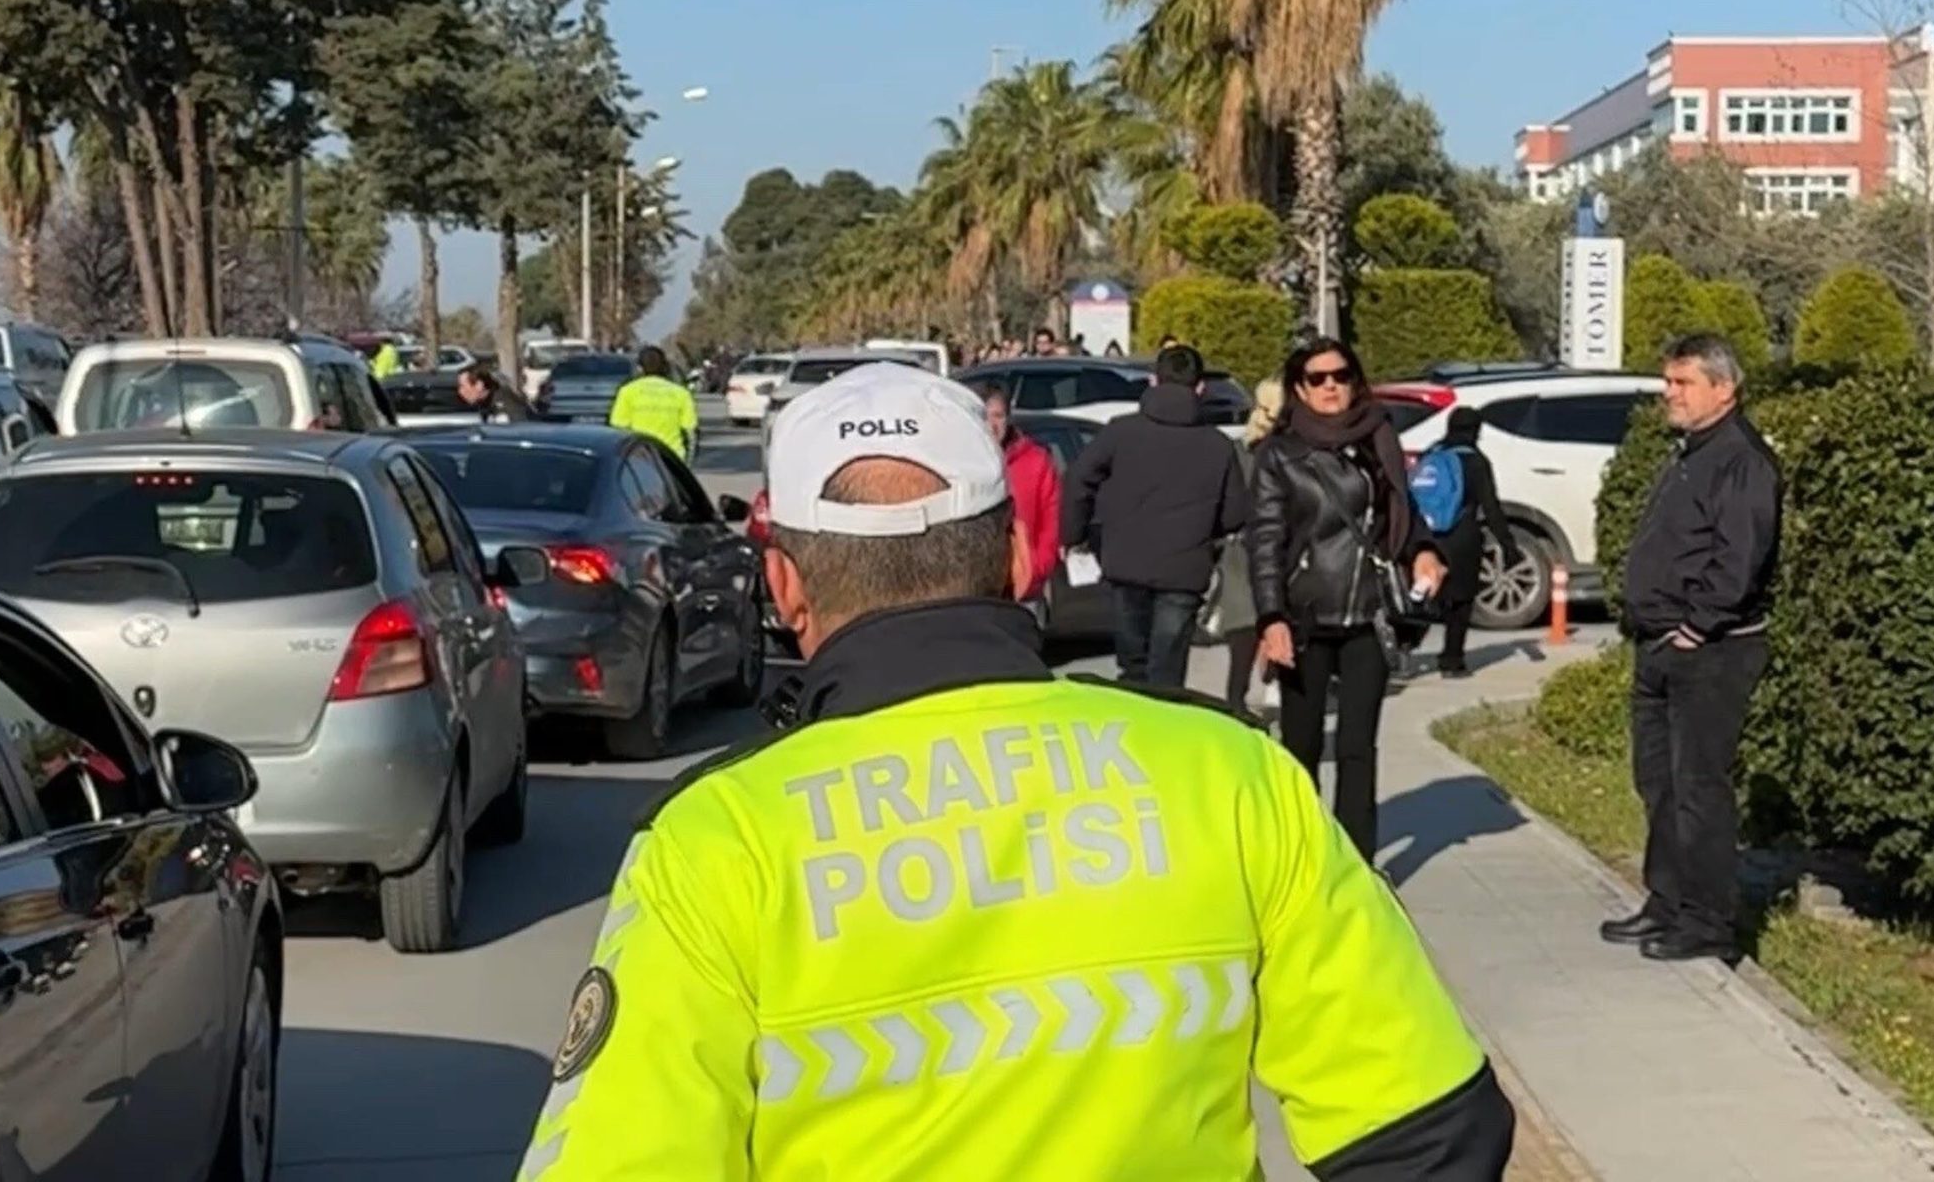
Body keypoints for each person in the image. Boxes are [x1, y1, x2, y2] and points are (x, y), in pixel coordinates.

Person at [516, 362, 1515, 1180]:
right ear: (1022, 553)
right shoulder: (1224, 772)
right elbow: (1429, 1129)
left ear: (783, 585)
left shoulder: (717, 840)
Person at [1606, 333, 1782, 965]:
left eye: (1683, 383)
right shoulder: (1690, 453)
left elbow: (1740, 559)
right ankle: (1668, 900)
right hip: (1659, 644)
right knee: (1656, 780)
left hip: (1709, 651)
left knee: (1698, 786)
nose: (1670, 394)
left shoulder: (1742, 461)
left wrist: (1697, 626)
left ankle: (1708, 921)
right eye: (1668, 382)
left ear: (1724, 389)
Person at [1246, 340, 1447, 864]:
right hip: (1305, 616)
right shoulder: (1279, 454)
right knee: (1303, 747)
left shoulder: (1377, 438)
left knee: (1358, 748)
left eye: (1340, 375)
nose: (1331, 386)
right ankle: (1306, 859)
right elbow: (1264, 542)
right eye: (1318, 379)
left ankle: (1357, 865)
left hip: (1369, 614)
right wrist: (1271, 617)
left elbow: (1403, 514)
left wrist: (1424, 551)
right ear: (1299, 389)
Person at [1060, 343, 1249, 689]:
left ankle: (1135, 715)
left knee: (1133, 668)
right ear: (1200, 388)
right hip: (1184, 568)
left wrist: (1075, 533)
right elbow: (1236, 513)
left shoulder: (1120, 432)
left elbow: (1078, 479)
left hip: (1126, 561)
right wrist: (1203, 528)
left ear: (1152, 381)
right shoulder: (1218, 445)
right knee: (1168, 670)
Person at [1398, 407, 1518, 679]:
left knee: (1422, 594)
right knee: (1459, 604)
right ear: (1476, 431)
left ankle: (1404, 648)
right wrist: (1507, 545)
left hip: (1425, 537)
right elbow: (1491, 507)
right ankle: (1452, 660)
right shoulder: (1476, 461)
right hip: (1463, 538)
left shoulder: (1432, 454)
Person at [1213, 378, 1284, 718]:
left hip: (1240, 546)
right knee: (1276, 615)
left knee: (1243, 627)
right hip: (1276, 545)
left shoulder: (1239, 450)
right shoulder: (1290, 451)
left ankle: (1236, 700)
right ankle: (1271, 682)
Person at [975, 381, 1060, 605]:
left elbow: (1052, 521)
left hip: (1024, 589)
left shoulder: (1036, 460)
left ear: (1008, 418)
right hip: (975, 590)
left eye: (998, 416)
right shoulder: (961, 463)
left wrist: (1037, 568)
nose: (991, 424)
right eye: (984, 417)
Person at [609, 345, 700, 459]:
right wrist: (685, 464)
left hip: (639, 458)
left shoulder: (627, 392)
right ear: (665, 366)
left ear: (639, 368)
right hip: (672, 458)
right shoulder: (681, 393)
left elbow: (618, 429)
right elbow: (691, 433)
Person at [456, 364, 534, 423]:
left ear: (479, 385)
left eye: (463, 386)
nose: (460, 391)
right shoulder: (486, 402)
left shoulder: (504, 406)